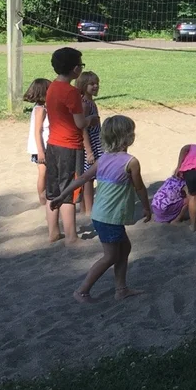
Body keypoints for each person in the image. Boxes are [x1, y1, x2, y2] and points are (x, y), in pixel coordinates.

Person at [50, 115, 151, 303]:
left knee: (125, 247)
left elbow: (81, 179)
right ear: (128, 137)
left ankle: (121, 289)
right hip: (109, 218)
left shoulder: (102, 159)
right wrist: (146, 207)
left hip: (102, 215)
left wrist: (63, 195)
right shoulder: (131, 162)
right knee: (111, 255)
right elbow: (139, 188)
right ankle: (82, 290)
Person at [44, 47, 88, 244]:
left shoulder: (52, 86)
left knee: (52, 190)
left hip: (52, 144)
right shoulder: (71, 92)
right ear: (75, 68)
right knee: (69, 191)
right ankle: (71, 236)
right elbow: (80, 123)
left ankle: (53, 232)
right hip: (70, 146)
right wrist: (92, 119)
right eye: (81, 64)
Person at [151, 138, 196, 229]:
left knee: (192, 197)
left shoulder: (193, 148)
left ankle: (193, 225)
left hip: (156, 206)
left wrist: (179, 166)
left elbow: (184, 148)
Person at [76, 71, 102, 217]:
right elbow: (83, 129)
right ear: (83, 85)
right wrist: (89, 151)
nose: (96, 86)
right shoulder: (85, 104)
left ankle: (85, 207)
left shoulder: (90, 102)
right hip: (90, 144)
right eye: (91, 84)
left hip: (96, 141)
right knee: (89, 177)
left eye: (97, 83)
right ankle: (88, 209)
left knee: (90, 176)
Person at [23, 78, 51, 205]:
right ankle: (42, 201)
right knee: (43, 173)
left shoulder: (43, 108)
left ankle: (47, 197)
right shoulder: (40, 110)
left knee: (47, 173)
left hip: (46, 146)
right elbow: (37, 131)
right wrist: (41, 151)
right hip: (41, 148)